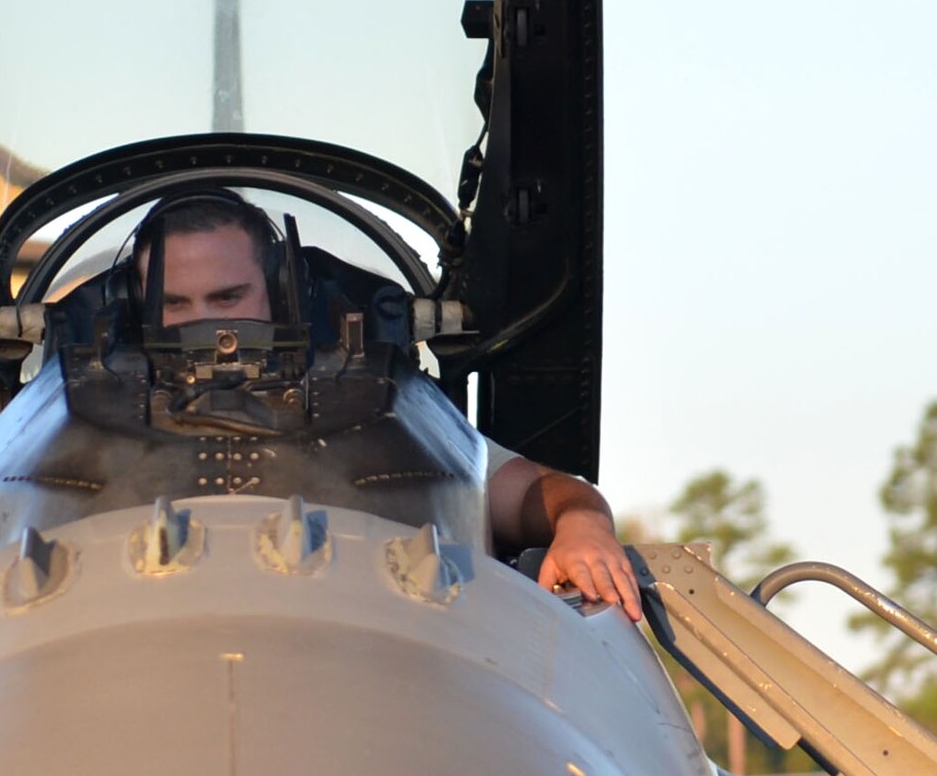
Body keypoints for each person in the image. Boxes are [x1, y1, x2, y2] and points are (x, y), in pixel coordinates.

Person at [132, 194, 642, 622]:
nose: (198, 324)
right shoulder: (86, 427)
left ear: (282, 293)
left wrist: (583, 525)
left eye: (226, 299)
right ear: (139, 309)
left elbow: (538, 490)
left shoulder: (375, 416)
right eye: (174, 303)